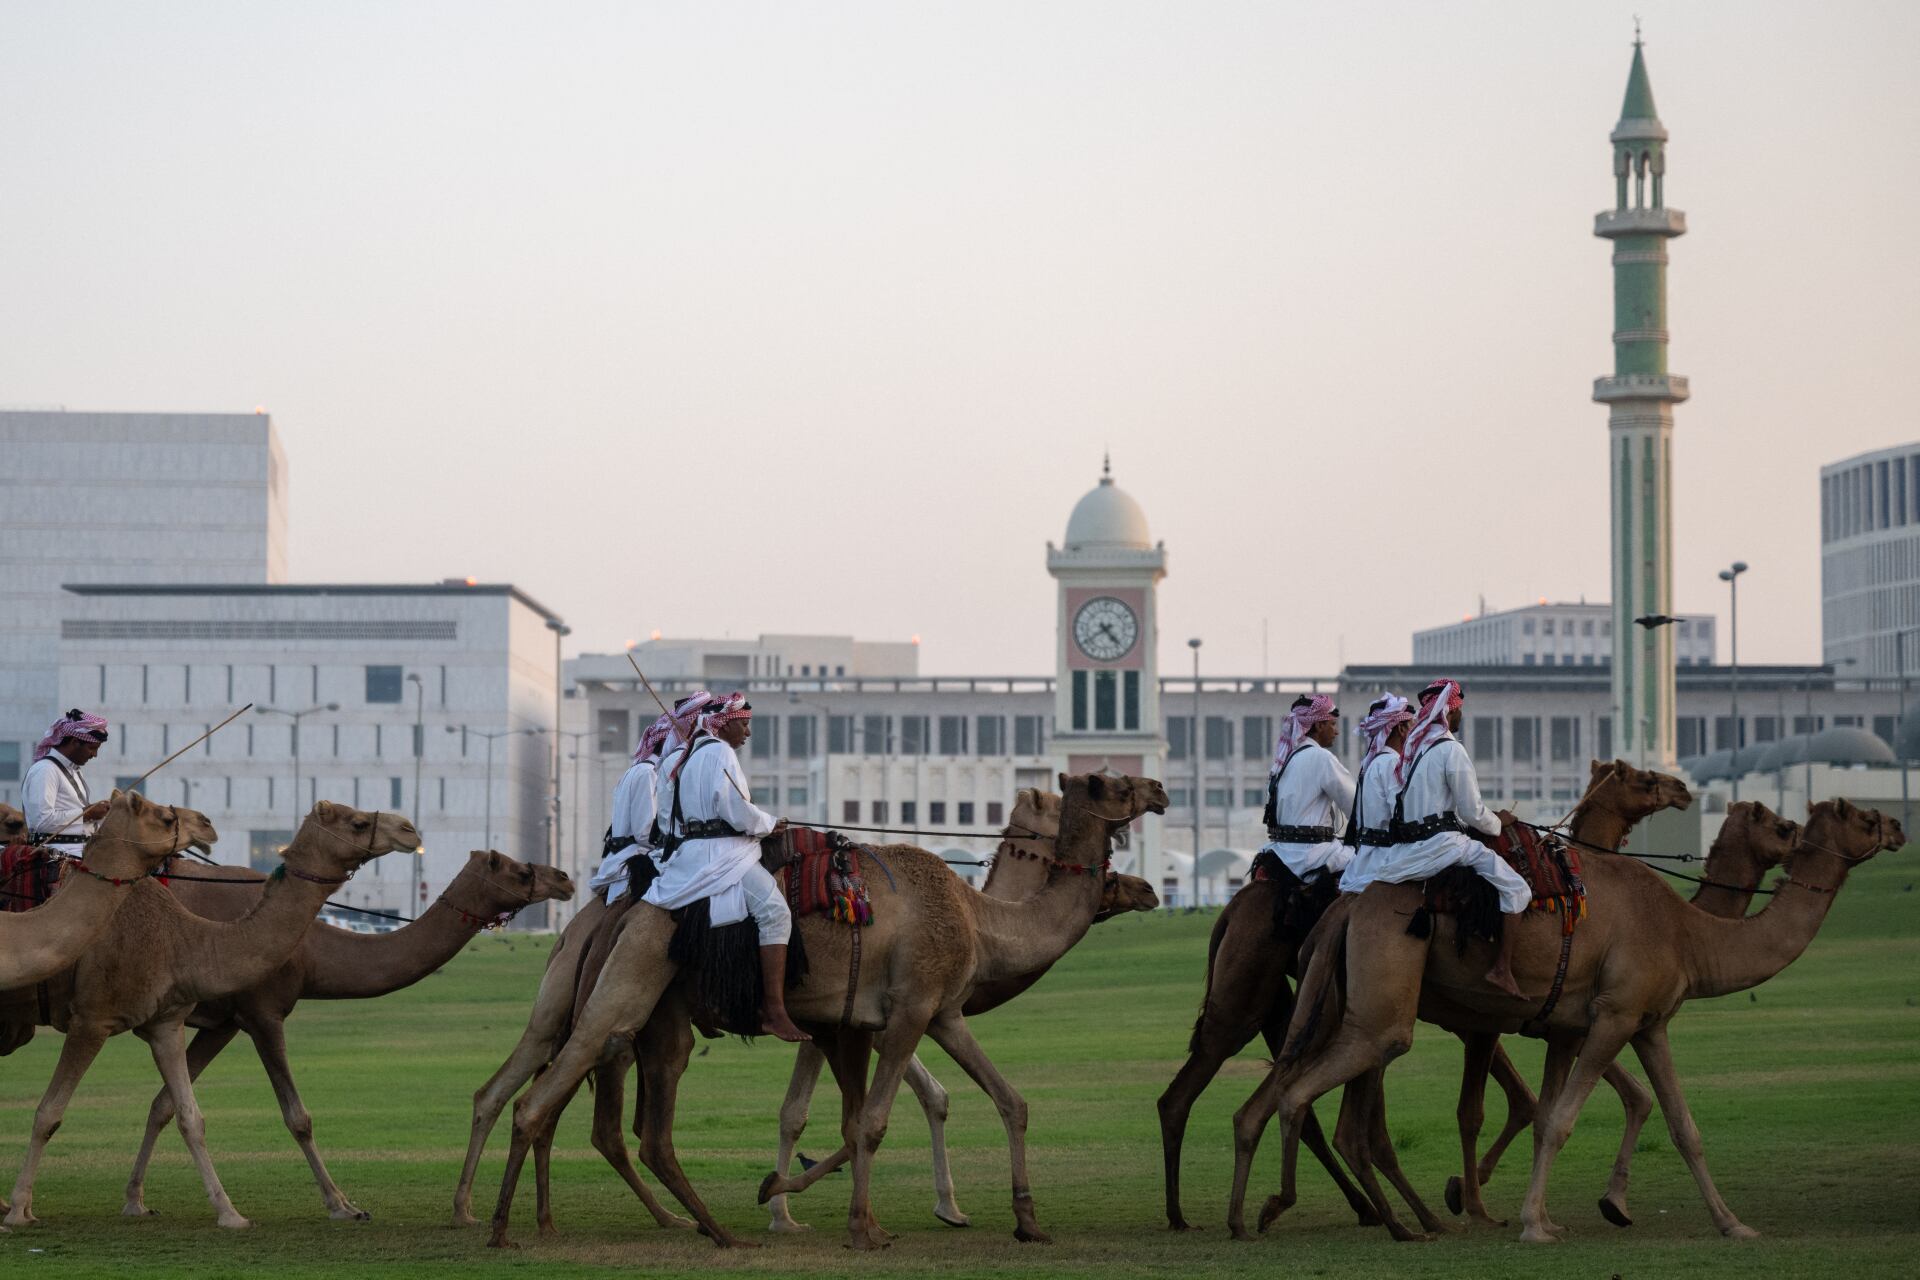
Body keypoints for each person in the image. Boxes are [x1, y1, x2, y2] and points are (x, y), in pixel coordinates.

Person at [646, 692, 808, 1042]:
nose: (747, 733)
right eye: (744, 724)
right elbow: (735, 808)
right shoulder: (720, 752)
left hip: (687, 856)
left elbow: (668, 817)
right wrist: (769, 823)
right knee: (775, 913)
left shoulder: (682, 756)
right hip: (722, 855)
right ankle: (775, 1011)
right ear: (724, 723)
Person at [1361, 679, 1530, 997]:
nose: (1461, 715)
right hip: (1444, 846)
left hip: (1406, 850)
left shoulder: (1415, 752)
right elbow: (1473, 812)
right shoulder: (1451, 750)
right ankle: (1501, 969)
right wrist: (1500, 822)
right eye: (1459, 709)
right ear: (1449, 712)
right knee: (1517, 888)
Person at [1259, 693, 1355, 884]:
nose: (1336, 732)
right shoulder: (1322, 757)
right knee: (1369, 867)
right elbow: (1356, 807)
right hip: (1314, 855)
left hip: (1280, 851)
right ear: (1319, 725)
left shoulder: (1285, 760)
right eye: (1332, 724)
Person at [587, 711, 673, 904]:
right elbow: (644, 832)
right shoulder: (648, 774)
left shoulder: (636, 771)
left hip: (623, 857)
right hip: (633, 862)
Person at [1337, 693, 1415, 894]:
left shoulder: (1373, 764)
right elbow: (1404, 816)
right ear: (1402, 729)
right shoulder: (1392, 763)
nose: (1416, 731)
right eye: (1412, 725)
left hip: (1364, 860)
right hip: (1387, 859)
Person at [22, 709, 110, 846]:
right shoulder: (46, 770)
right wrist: (87, 813)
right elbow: (41, 822)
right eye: (92, 748)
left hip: (83, 850)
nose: (94, 755)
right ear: (75, 742)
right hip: (57, 853)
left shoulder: (74, 770)